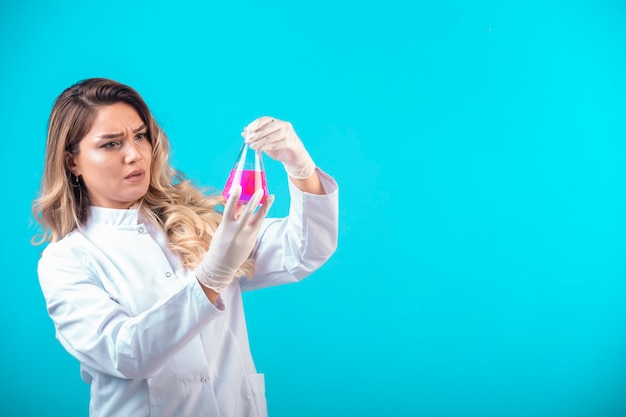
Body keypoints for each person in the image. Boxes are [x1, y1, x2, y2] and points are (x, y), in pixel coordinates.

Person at [32, 78, 338, 417]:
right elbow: (126, 353)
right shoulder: (66, 261)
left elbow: (303, 251)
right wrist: (211, 277)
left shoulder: (196, 224)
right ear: (72, 161)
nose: (134, 154)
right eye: (110, 144)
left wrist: (300, 166)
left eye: (140, 135)